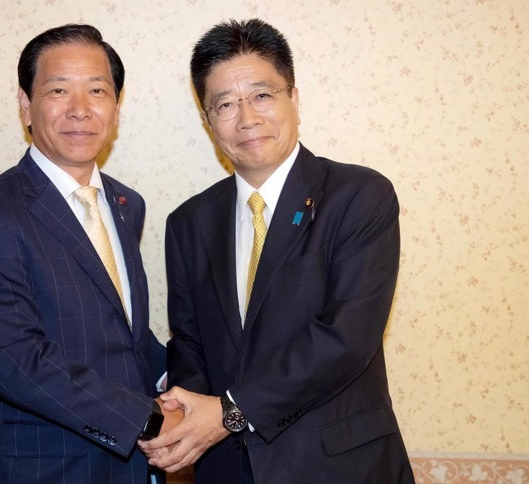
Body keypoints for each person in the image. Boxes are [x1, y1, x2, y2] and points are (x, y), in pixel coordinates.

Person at [139, 19, 414, 483]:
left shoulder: (358, 195)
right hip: (227, 467)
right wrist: (186, 418)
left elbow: (347, 337)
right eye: (225, 104)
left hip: (339, 467)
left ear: (294, 99)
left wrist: (230, 412)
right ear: (208, 120)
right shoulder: (188, 222)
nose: (247, 117)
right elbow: (190, 343)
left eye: (262, 95)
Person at [0, 24, 181, 483]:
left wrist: (193, 386)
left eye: (97, 90)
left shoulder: (127, 204)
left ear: (115, 108)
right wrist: (149, 421)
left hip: (133, 470)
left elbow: (123, 336)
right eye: (58, 90)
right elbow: (16, 359)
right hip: (43, 469)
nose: (80, 109)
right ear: (25, 104)